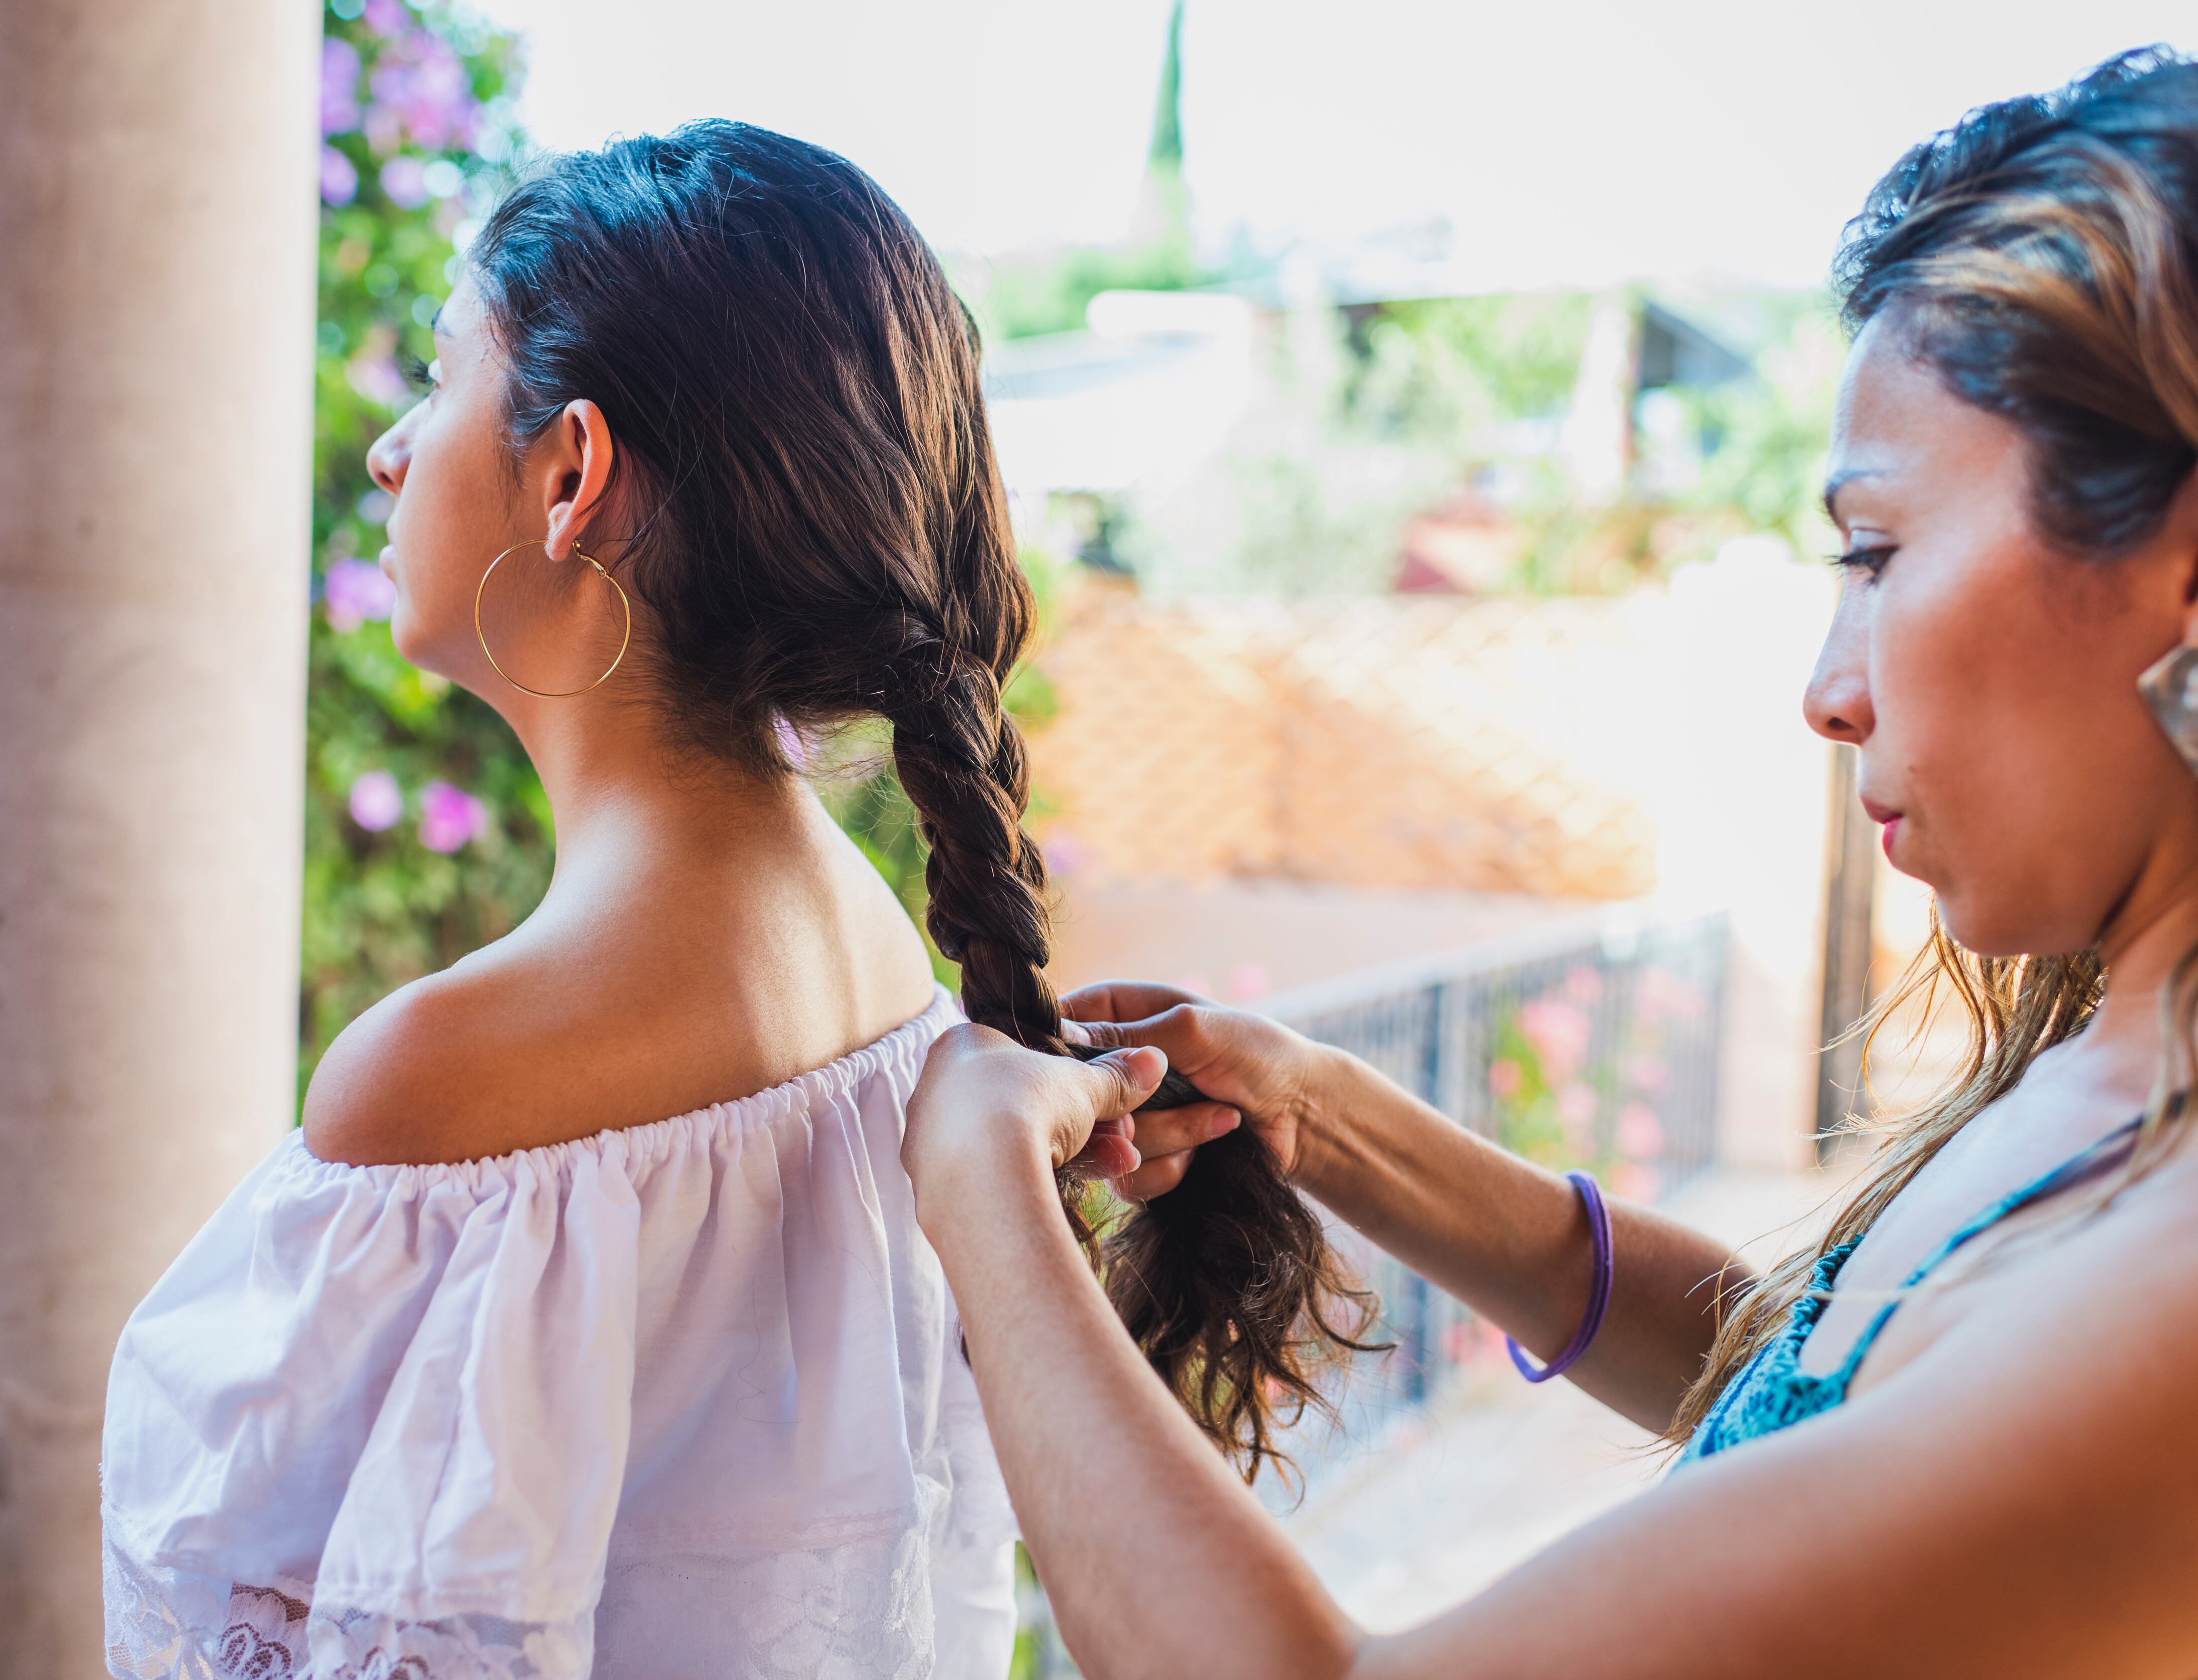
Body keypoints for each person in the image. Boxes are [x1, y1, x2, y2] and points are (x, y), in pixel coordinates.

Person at [899, 49, 2198, 1680]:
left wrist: (985, 1204)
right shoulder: (2113, 1078)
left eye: (1875, 551)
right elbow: (1807, 1394)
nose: (1827, 685)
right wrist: (1327, 1118)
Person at [98, 123, 1050, 1679]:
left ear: (572, 473)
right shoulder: (875, 944)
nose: (390, 450)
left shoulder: (446, 1081)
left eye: (438, 376)